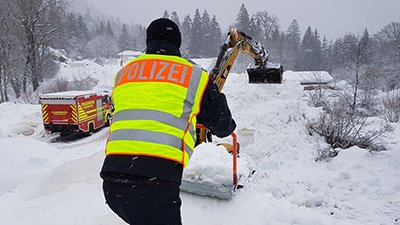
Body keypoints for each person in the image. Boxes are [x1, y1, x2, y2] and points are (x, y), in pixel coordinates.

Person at [100, 18, 236, 225]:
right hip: (155, 181)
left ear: (148, 43)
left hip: (112, 178)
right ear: (179, 45)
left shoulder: (123, 74)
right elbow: (223, 126)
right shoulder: (194, 75)